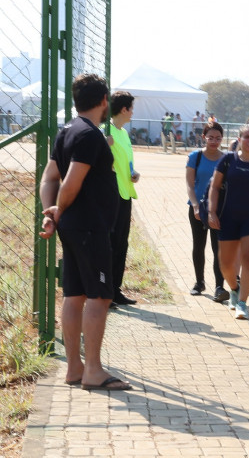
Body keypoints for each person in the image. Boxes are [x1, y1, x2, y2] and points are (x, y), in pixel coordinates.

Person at [38, 73, 131, 391]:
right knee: (99, 297)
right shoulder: (90, 136)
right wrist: (58, 210)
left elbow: (49, 178)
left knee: (74, 296)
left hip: (73, 227)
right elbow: (70, 181)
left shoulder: (66, 132)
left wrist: (49, 212)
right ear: (104, 101)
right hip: (89, 228)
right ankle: (92, 370)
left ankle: (74, 369)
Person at [207, 124, 249, 320]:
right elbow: (215, 186)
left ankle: (243, 302)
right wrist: (212, 211)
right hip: (228, 217)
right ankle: (235, 289)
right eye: (247, 137)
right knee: (226, 264)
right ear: (239, 139)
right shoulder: (228, 160)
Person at [186, 122, 229, 302]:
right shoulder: (195, 157)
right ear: (204, 137)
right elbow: (189, 184)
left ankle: (220, 286)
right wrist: (195, 205)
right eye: (210, 137)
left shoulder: (226, 159)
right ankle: (199, 282)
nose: (214, 141)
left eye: (218, 138)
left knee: (218, 248)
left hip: (219, 210)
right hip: (198, 209)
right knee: (199, 245)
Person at [105, 91, 140, 309]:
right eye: (131, 108)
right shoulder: (104, 132)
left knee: (121, 243)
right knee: (109, 244)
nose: (133, 112)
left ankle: (115, 290)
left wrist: (134, 173)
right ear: (124, 109)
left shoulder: (124, 134)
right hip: (111, 195)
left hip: (126, 194)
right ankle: (105, 291)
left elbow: (126, 163)